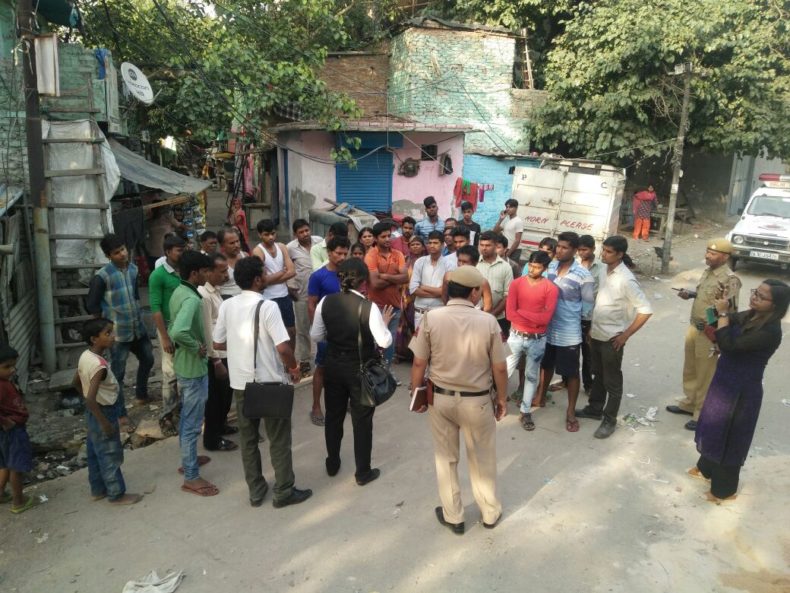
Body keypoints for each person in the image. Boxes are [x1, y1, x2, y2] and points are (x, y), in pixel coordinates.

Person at [409, 266, 508, 534]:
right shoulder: (488, 322)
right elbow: (499, 367)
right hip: (477, 402)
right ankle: (489, 513)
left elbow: (419, 362)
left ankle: (454, 516)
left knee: (446, 459)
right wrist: (502, 399)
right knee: (482, 458)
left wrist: (415, 392)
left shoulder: (431, 318)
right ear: (474, 292)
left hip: (440, 400)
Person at [213, 257, 312, 508]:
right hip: (268, 382)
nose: (268, 276)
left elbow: (217, 343)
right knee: (278, 439)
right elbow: (283, 347)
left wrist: (239, 347)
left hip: (240, 383)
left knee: (248, 440)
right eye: (265, 273)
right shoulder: (267, 307)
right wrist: (293, 368)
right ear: (257, 280)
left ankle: (256, 491)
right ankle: (284, 490)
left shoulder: (228, 305)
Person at [692, 280, 788, 502]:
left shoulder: (770, 331)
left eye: (762, 297)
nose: (755, 297)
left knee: (730, 437)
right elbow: (715, 323)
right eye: (756, 292)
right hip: (723, 379)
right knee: (712, 424)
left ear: (776, 305)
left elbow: (729, 345)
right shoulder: (750, 315)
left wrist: (724, 315)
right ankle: (706, 469)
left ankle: (723, 491)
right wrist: (718, 306)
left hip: (741, 389)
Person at [310, 258, 394, 485]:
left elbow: (316, 336)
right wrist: (384, 323)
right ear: (364, 282)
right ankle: (363, 472)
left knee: (334, 416)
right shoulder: (369, 307)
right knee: (362, 421)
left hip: (333, 366)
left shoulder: (325, 302)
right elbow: (384, 342)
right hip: (360, 369)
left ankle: (333, 461)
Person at [577, 236, 653, 438]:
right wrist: (592, 330)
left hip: (613, 338)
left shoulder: (626, 279)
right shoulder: (603, 269)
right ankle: (595, 408)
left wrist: (625, 335)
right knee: (598, 374)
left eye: (609, 252)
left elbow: (645, 310)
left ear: (620, 254)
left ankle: (609, 420)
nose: (604, 254)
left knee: (612, 380)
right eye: (604, 250)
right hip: (597, 332)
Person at [667, 238, 742, 430]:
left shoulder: (730, 279)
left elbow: (730, 310)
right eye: (707, 251)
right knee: (691, 367)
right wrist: (690, 294)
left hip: (710, 332)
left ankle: (701, 412)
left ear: (725, 257)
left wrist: (720, 336)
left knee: (706, 373)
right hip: (695, 327)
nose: (707, 255)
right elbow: (707, 296)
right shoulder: (708, 272)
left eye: (713, 253)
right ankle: (689, 403)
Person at [86, 234, 154, 432]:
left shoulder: (133, 270)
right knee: (118, 375)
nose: (123, 254)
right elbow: (92, 305)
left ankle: (141, 394)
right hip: (117, 334)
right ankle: (121, 413)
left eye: (123, 249)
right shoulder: (102, 276)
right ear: (108, 256)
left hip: (137, 327)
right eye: (117, 252)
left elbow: (134, 295)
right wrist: (102, 332)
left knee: (148, 359)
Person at [531, 232, 594, 433]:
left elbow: (588, 305)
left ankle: (570, 411)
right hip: (547, 327)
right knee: (546, 364)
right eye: (558, 246)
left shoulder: (584, 275)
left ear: (575, 251)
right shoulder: (549, 268)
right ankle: (540, 396)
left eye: (565, 247)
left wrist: (585, 327)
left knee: (572, 372)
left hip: (569, 331)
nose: (559, 250)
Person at [75, 321, 143, 505]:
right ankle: (116, 494)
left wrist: (87, 401)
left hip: (93, 412)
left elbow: (76, 380)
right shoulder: (99, 366)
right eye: (107, 333)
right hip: (103, 411)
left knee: (94, 452)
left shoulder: (85, 356)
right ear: (94, 339)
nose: (113, 336)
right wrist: (105, 422)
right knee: (110, 454)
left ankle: (98, 489)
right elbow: (90, 398)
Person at [169, 250, 218, 496]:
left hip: (184, 365)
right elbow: (178, 332)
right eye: (206, 271)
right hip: (193, 368)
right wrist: (196, 346)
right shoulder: (192, 299)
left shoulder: (180, 291)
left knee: (188, 419)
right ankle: (191, 476)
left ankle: (189, 460)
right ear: (195, 272)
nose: (208, 275)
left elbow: (171, 327)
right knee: (192, 423)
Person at [505, 251, 559, 431]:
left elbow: (545, 319)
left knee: (531, 376)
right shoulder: (516, 284)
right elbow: (509, 314)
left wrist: (521, 312)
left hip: (537, 339)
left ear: (545, 268)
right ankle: (497, 401)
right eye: (531, 265)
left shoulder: (550, 288)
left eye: (537, 267)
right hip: (515, 336)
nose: (532, 269)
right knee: (505, 371)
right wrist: (534, 317)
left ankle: (525, 410)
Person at [307, 236, 351, 426]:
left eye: (344, 253)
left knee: (345, 367)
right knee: (322, 368)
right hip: (325, 333)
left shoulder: (348, 274)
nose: (342, 257)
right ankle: (316, 406)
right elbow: (311, 306)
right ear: (329, 253)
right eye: (338, 253)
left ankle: (345, 401)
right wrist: (318, 332)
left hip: (346, 331)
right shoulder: (318, 276)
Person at [198, 253, 237, 452]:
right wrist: (215, 361)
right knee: (215, 399)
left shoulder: (215, 291)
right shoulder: (204, 295)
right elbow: (207, 331)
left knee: (225, 395)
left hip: (225, 352)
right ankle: (212, 439)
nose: (225, 275)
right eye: (221, 271)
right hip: (216, 356)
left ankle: (221, 425)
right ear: (208, 272)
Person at [148, 234, 186, 437]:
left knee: (185, 374)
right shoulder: (158, 276)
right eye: (179, 250)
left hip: (186, 328)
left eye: (183, 249)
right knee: (170, 375)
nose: (182, 253)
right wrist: (164, 337)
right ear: (168, 252)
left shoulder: (185, 271)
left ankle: (181, 413)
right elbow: (155, 309)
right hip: (169, 329)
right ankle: (167, 417)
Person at [0, 345, 38, 513]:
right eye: (7, 367)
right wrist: (6, 421)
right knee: (16, 466)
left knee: (5, 464)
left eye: (13, 365)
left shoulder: (4, 383)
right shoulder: (1, 386)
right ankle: (19, 502)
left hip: (5, 432)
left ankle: (1, 494)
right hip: (13, 431)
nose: (12, 370)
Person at [365, 222, 407, 366]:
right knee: (375, 340)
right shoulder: (371, 255)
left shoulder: (398, 254)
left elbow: (405, 277)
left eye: (389, 235)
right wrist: (395, 278)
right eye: (383, 236)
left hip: (394, 305)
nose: (388, 239)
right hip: (376, 307)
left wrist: (386, 276)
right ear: (376, 239)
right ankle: (373, 372)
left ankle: (386, 373)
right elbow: (375, 284)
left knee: (390, 340)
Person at [286, 219, 323, 379]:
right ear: (296, 235)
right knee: (303, 330)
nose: (305, 234)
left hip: (321, 294)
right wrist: (290, 287)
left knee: (323, 327)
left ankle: (323, 358)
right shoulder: (290, 248)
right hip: (302, 294)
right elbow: (286, 268)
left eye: (307, 230)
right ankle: (306, 361)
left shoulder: (320, 242)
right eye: (301, 232)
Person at [252, 220, 297, 348]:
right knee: (271, 334)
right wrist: (281, 273)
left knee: (291, 332)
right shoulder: (258, 251)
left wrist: (271, 278)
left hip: (284, 296)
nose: (271, 237)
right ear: (260, 235)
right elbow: (262, 280)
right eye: (266, 234)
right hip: (268, 298)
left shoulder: (282, 247)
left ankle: (290, 365)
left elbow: (292, 271)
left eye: (273, 233)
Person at [578, 235, 604, 394]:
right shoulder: (575, 265)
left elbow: (601, 295)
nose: (581, 253)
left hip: (590, 317)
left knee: (588, 355)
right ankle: (568, 381)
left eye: (585, 250)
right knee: (571, 352)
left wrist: (594, 322)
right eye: (579, 250)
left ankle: (588, 385)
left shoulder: (601, 268)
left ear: (593, 249)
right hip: (573, 316)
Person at [409, 231, 450, 330]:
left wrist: (423, 287)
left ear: (443, 245)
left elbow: (447, 291)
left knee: (437, 344)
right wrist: (439, 292)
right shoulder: (420, 262)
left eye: (435, 243)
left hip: (439, 312)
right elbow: (413, 289)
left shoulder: (449, 264)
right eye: (430, 243)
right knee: (419, 344)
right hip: (420, 313)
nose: (432, 245)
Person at [477, 230, 514, 336]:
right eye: (482, 245)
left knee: (496, 350)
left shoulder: (506, 267)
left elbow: (507, 295)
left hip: (498, 319)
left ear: (495, 245)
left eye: (488, 245)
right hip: (474, 316)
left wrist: (492, 315)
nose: (484, 248)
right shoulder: (475, 263)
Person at [217, 227, 248, 298]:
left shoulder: (245, 256)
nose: (236, 245)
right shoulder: (218, 262)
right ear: (222, 245)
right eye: (232, 243)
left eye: (237, 241)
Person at [494, 198, 524, 264]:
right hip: (505, 249)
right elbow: (495, 231)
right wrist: (500, 219)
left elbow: (517, 240)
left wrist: (507, 254)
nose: (508, 209)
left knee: (512, 270)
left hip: (514, 250)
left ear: (516, 208)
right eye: (507, 207)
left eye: (510, 207)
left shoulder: (518, 221)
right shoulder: (506, 220)